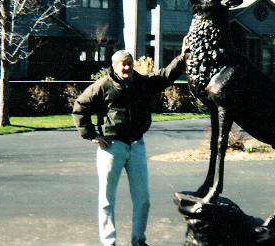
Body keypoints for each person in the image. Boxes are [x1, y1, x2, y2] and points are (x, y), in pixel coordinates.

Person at [72, 43, 188, 246]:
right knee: (107, 200)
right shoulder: (102, 86)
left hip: (136, 146)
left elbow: (165, 76)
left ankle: (139, 241)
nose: (127, 68)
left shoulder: (141, 83)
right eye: (122, 65)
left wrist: (183, 56)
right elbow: (80, 106)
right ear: (114, 66)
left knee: (143, 200)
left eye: (129, 64)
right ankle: (109, 242)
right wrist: (91, 135)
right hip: (111, 148)